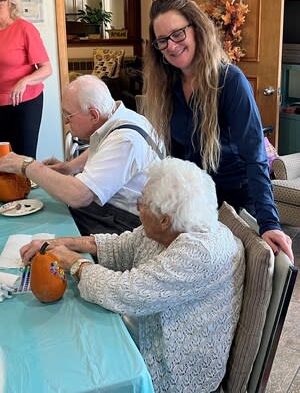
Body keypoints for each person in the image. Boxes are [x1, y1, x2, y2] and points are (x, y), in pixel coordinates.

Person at [20, 157, 245, 393]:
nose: (137, 207)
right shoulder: (176, 225)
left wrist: (74, 263)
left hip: (171, 369)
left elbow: (127, 293)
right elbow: (124, 246)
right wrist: (62, 243)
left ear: (165, 220)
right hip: (149, 329)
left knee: (68, 356)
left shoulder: (199, 252)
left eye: (142, 204)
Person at [142, 0, 293, 261]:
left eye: (177, 34)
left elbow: (255, 158)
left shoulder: (230, 81)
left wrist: (270, 224)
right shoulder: (169, 86)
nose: (172, 46)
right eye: (163, 41)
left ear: (196, 29)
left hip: (236, 206)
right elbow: (177, 161)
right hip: (196, 208)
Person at [0, 75, 164, 236]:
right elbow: (104, 145)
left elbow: (79, 196)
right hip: (119, 211)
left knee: (46, 224)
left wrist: (27, 165)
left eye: (68, 115)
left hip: (130, 224)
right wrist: (70, 166)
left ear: (93, 115)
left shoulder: (125, 140)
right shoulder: (122, 117)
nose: (65, 122)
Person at [0, 0, 52, 157]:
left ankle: (25, 184)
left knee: (23, 158)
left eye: (0, 0)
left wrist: (25, 81)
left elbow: (46, 69)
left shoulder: (24, 29)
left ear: (11, 2)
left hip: (25, 103)